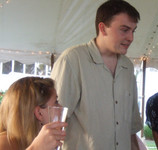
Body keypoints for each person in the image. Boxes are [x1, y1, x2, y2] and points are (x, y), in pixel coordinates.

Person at [50, 0, 142, 150]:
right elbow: (53, 123)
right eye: (124, 30)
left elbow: (130, 129)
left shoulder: (128, 67)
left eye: (133, 31)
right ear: (103, 28)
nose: (131, 38)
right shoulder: (73, 60)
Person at [0, 77, 68, 150]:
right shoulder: (3, 143)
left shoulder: (35, 141)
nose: (61, 107)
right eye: (56, 102)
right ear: (39, 113)